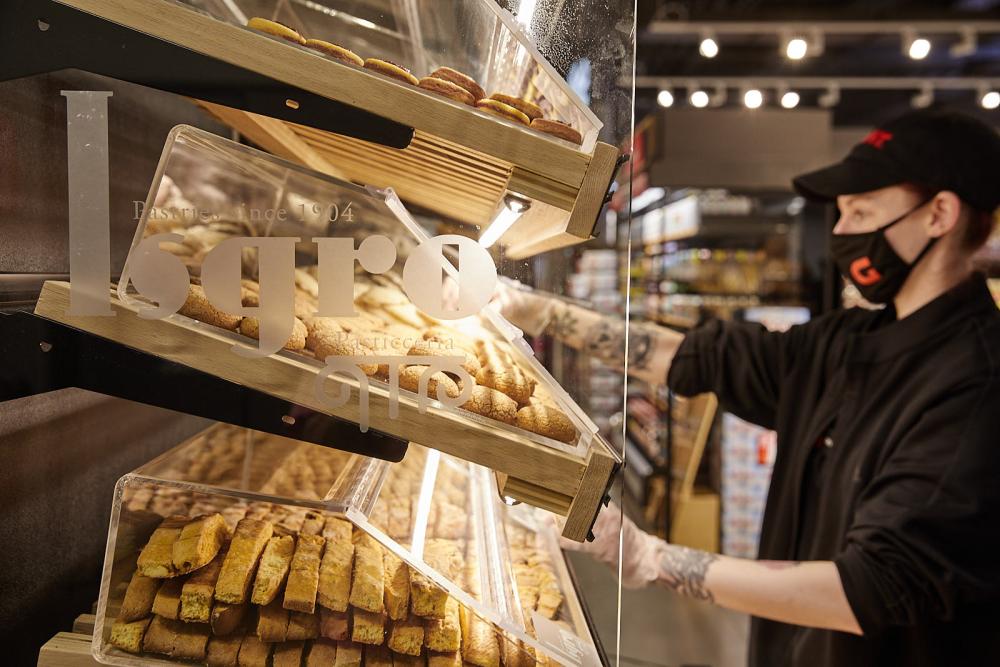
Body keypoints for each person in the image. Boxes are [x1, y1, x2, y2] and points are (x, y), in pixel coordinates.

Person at [499, 109, 1000, 666]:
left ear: (940, 214)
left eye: (861, 212)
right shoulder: (845, 342)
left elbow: (872, 587)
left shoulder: (977, 385)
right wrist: (527, 308)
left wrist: (653, 558)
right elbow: (692, 356)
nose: (840, 231)